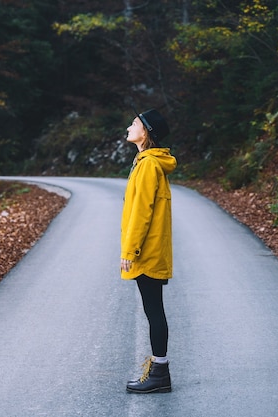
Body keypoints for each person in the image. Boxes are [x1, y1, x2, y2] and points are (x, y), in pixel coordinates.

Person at [121, 108, 177, 394]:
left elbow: (142, 212)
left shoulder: (148, 165)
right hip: (152, 248)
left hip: (147, 251)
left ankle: (159, 374)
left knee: (154, 310)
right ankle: (159, 370)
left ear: (147, 132)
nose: (129, 126)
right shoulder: (148, 162)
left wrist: (129, 251)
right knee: (153, 309)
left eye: (134, 123)